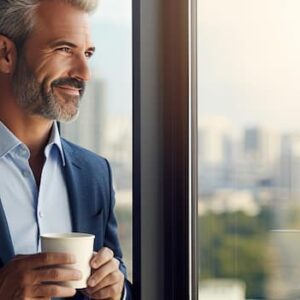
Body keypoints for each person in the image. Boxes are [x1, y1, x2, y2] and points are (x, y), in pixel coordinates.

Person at [0, 0, 132, 299]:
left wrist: (118, 290)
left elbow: (117, 274)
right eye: (64, 49)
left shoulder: (95, 172)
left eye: (87, 53)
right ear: (5, 54)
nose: (84, 72)